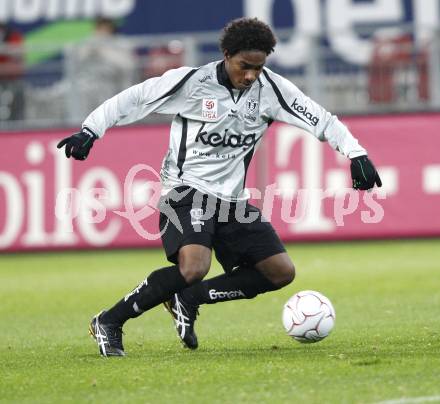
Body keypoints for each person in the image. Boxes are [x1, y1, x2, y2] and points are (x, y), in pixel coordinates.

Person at [57, 18, 382, 357]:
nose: (252, 75)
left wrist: (356, 153)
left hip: (232, 200)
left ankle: (189, 298)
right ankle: (109, 321)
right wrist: (90, 130)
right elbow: (133, 99)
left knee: (279, 272)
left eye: (259, 67)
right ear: (227, 55)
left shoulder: (272, 89)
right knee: (194, 266)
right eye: (245, 66)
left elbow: (322, 119)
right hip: (184, 190)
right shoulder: (192, 83)